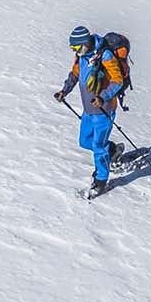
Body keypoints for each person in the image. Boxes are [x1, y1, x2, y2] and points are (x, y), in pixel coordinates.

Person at [54, 25, 128, 195]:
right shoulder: (82, 56)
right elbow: (74, 74)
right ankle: (112, 151)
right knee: (85, 141)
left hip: (104, 110)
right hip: (88, 110)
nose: (76, 51)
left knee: (97, 145)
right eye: (73, 48)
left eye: (77, 47)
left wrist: (103, 96)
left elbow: (117, 80)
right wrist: (64, 91)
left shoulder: (105, 55)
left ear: (86, 42)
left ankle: (101, 180)